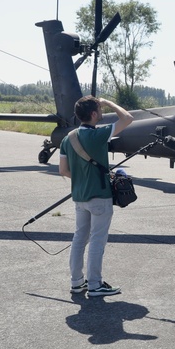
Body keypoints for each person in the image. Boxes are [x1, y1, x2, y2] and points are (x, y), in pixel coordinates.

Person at [59, 96, 134, 297]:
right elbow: (127, 118)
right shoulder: (99, 135)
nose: (102, 113)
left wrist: (83, 178)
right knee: (97, 241)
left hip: (79, 197)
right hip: (100, 196)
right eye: (100, 110)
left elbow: (63, 170)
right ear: (93, 114)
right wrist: (109, 102)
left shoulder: (68, 138)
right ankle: (95, 284)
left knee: (79, 239)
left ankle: (76, 282)